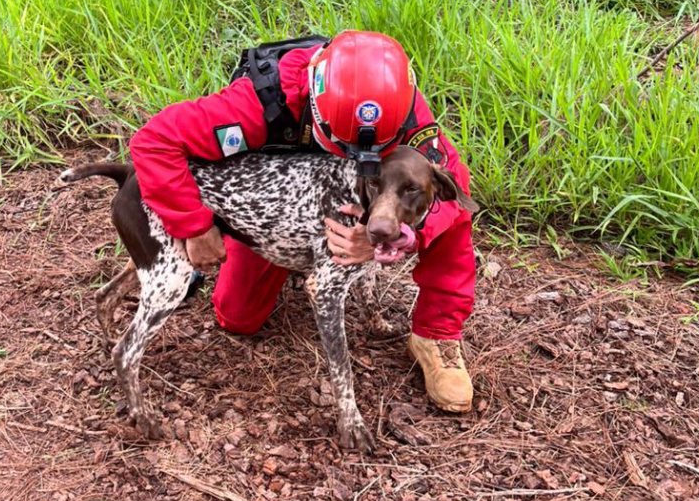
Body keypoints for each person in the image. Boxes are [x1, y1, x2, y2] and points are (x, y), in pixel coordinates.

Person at [128, 31, 476, 413]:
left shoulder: (395, 101)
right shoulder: (260, 102)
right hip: (280, 203)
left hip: (366, 202)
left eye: (376, 150)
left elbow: (455, 192)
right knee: (236, 316)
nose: (355, 159)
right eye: (345, 147)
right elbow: (153, 142)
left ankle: (437, 333)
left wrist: (402, 235)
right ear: (316, 110)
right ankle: (294, 258)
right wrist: (193, 226)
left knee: (449, 215)